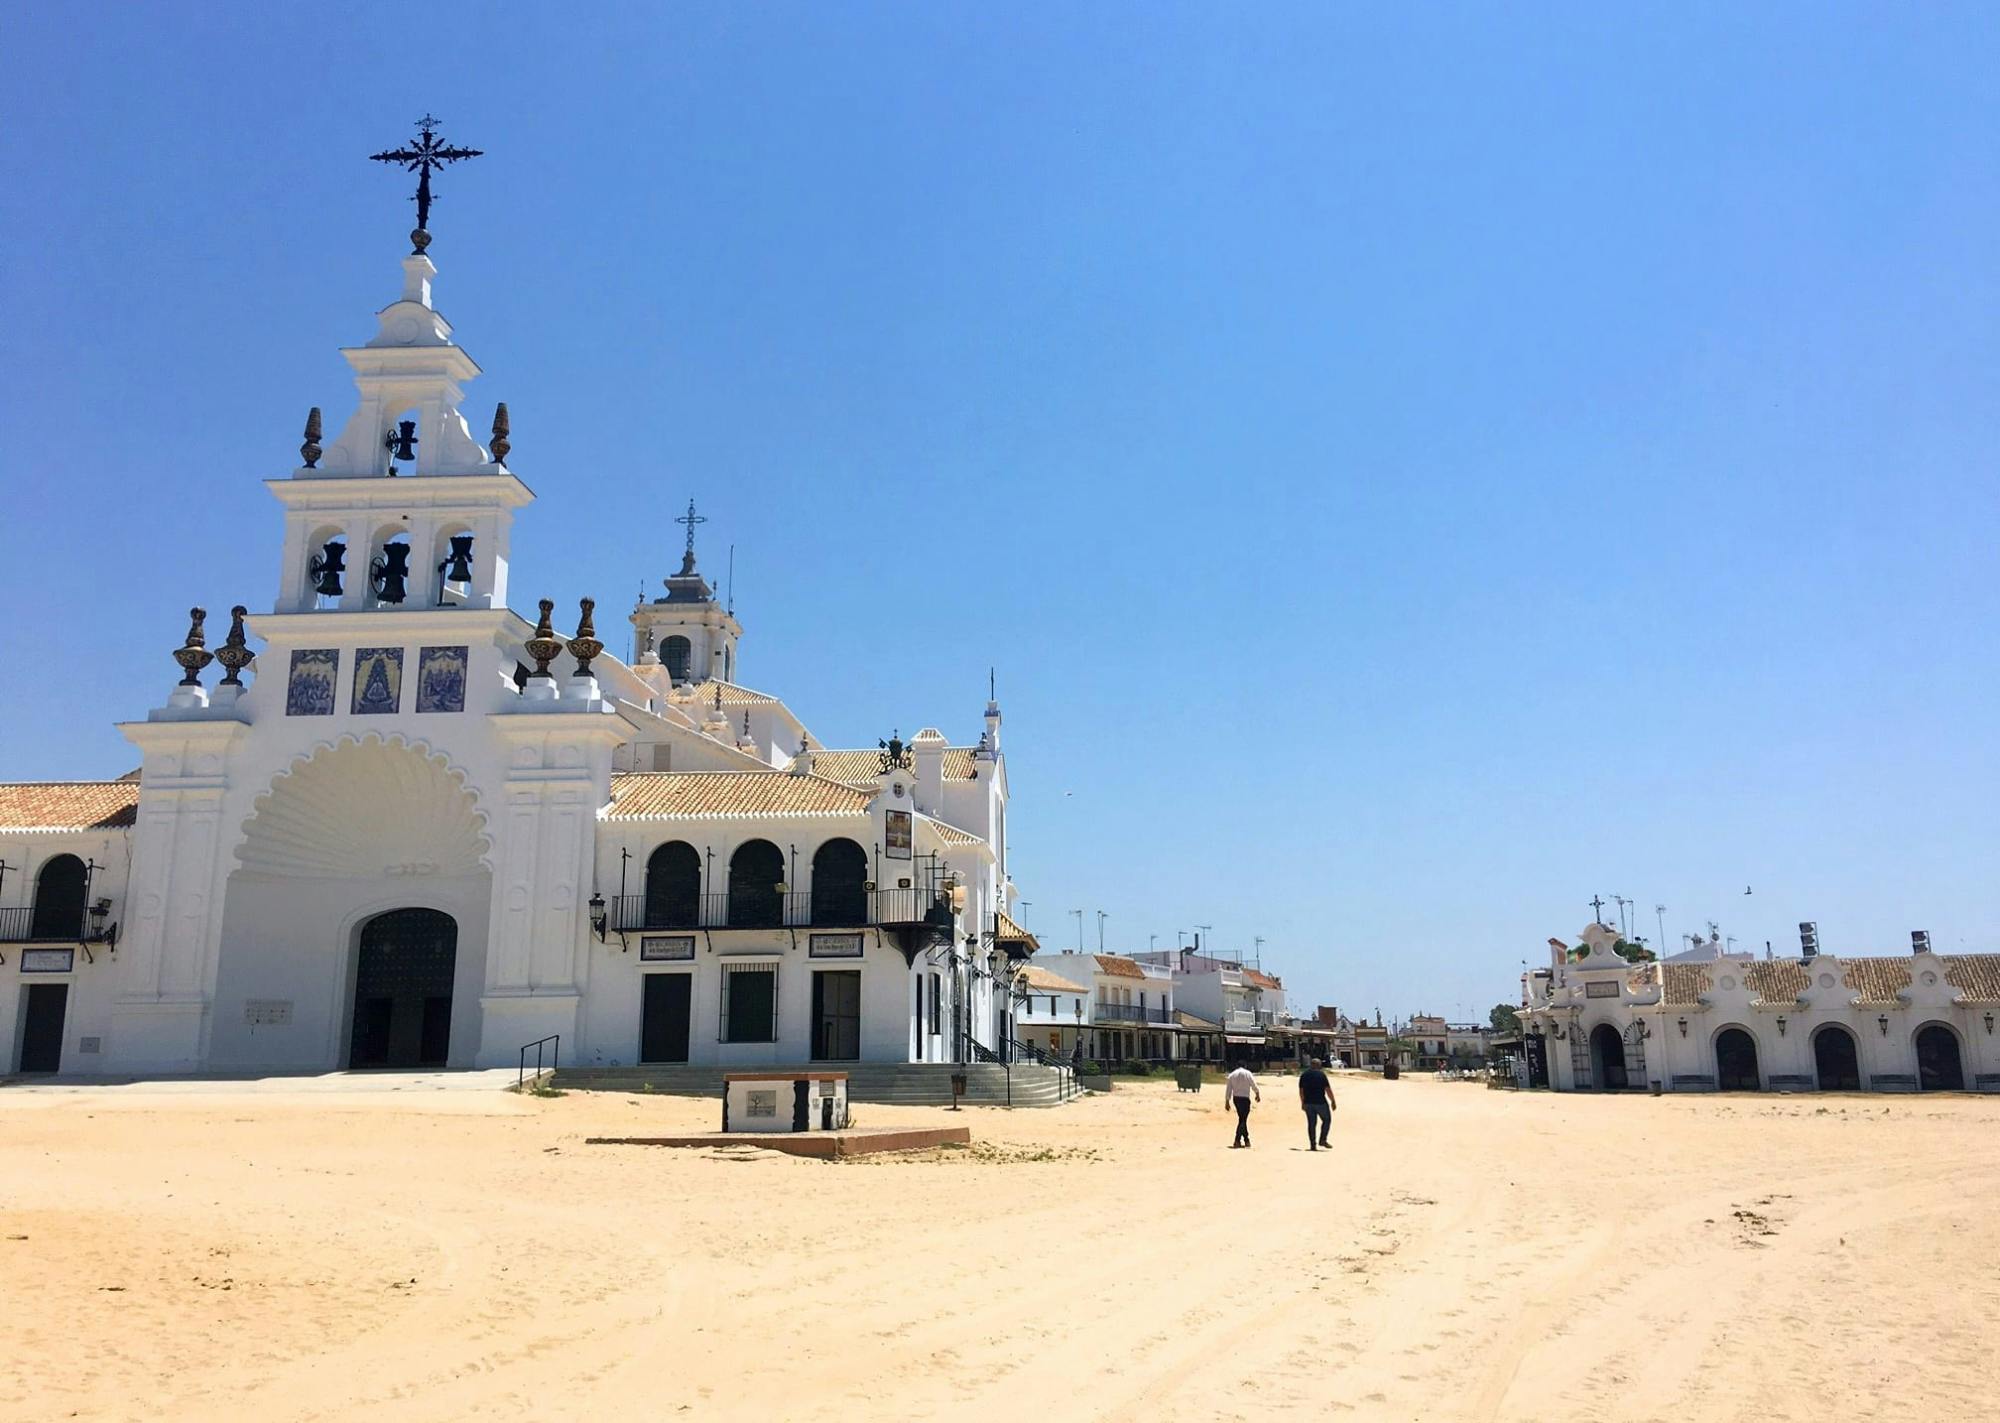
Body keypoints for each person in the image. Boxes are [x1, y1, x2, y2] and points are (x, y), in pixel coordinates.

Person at [1298, 1056, 1337, 1150]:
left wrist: (1302, 1102)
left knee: (1311, 1124)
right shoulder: (1321, 1075)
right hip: (1320, 1102)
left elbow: (1301, 1091)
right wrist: (1333, 1101)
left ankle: (1313, 1145)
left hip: (1308, 1103)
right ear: (1318, 1065)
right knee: (1326, 1120)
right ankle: (1322, 1140)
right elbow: (1327, 1089)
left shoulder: (1304, 1075)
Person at [1225, 1063, 1260, 1147]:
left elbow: (1228, 1089)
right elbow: (1253, 1084)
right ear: (1245, 1066)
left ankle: (1246, 1140)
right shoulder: (1248, 1073)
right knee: (1243, 1119)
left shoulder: (1232, 1075)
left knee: (1242, 1119)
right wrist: (1257, 1094)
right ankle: (1237, 1140)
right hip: (1245, 1098)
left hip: (1236, 1099)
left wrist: (1227, 1101)